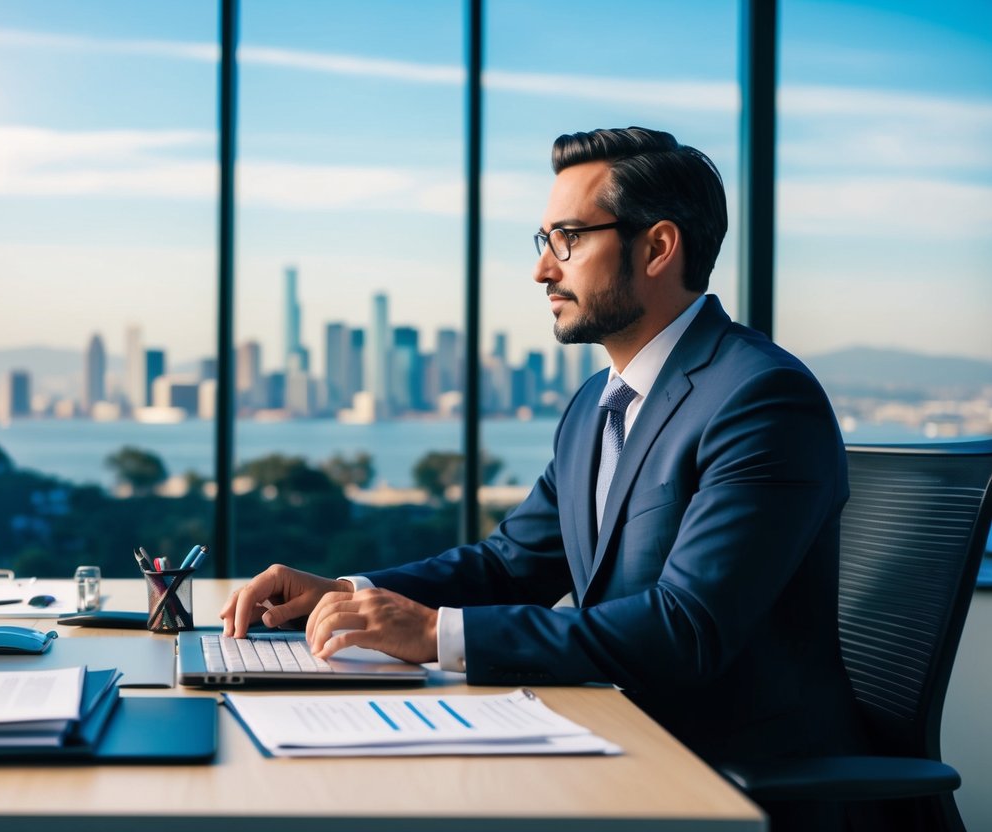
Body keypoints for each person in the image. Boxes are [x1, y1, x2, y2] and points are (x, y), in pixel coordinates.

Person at [221, 126, 866, 774]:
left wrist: (432, 634)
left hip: (729, 776)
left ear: (657, 248)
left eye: (569, 238)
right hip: (613, 743)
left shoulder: (759, 398)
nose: (541, 269)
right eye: (544, 241)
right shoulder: (597, 404)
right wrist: (347, 593)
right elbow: (510, 566)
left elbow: (685, 630)